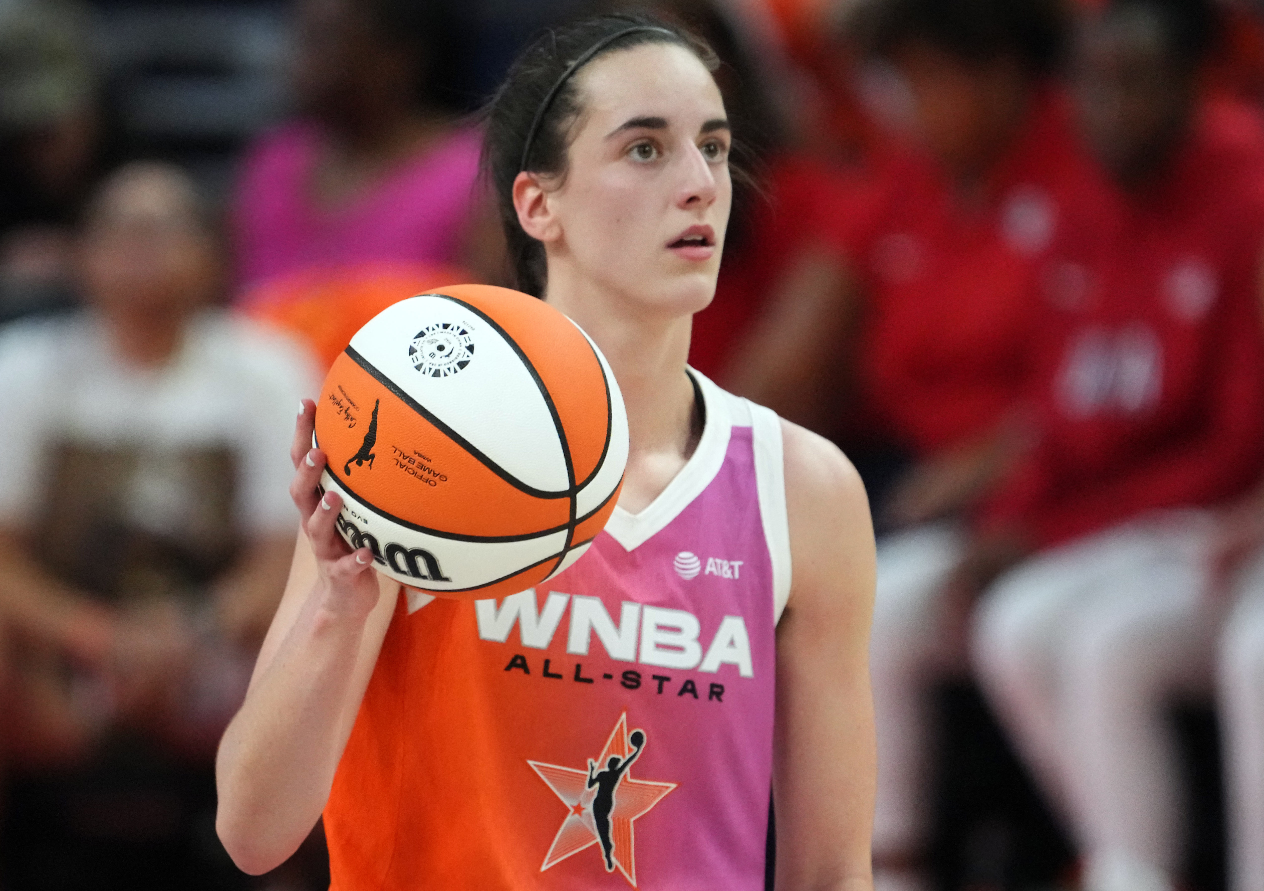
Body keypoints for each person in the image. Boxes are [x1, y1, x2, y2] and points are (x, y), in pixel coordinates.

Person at [215, 13, 877, 890]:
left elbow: (831, 871)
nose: (699, 185)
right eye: (645, 149)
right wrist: (339, 599)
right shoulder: (416, 437)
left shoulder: (805, 488)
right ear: (538, 202)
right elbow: (254, 833)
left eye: (713, 148)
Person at [964, 4, 1264, 891]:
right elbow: (1060, 409)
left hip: (1203, 514)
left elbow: (1235, 440)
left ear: (1194, 88)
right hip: (1165, 520)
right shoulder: (1087, 202)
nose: (1109, 106)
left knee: (1227, 649)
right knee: (1021, 622)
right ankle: (1129, 868)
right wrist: (1021, 511)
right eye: (1093, 83)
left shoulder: (1243, 191)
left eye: (1134, 81)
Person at [0, 161, 319, 889]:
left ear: (211, 256)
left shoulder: (269, 368)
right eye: (120, 229)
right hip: (59, 661)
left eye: (164, 228)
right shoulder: (21, 369)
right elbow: (3, 557)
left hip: (223, 663)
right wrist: (96, 636)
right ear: (82, 255)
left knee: (330, 628)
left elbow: (287, 556)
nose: (140, 248)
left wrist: (193, 634)